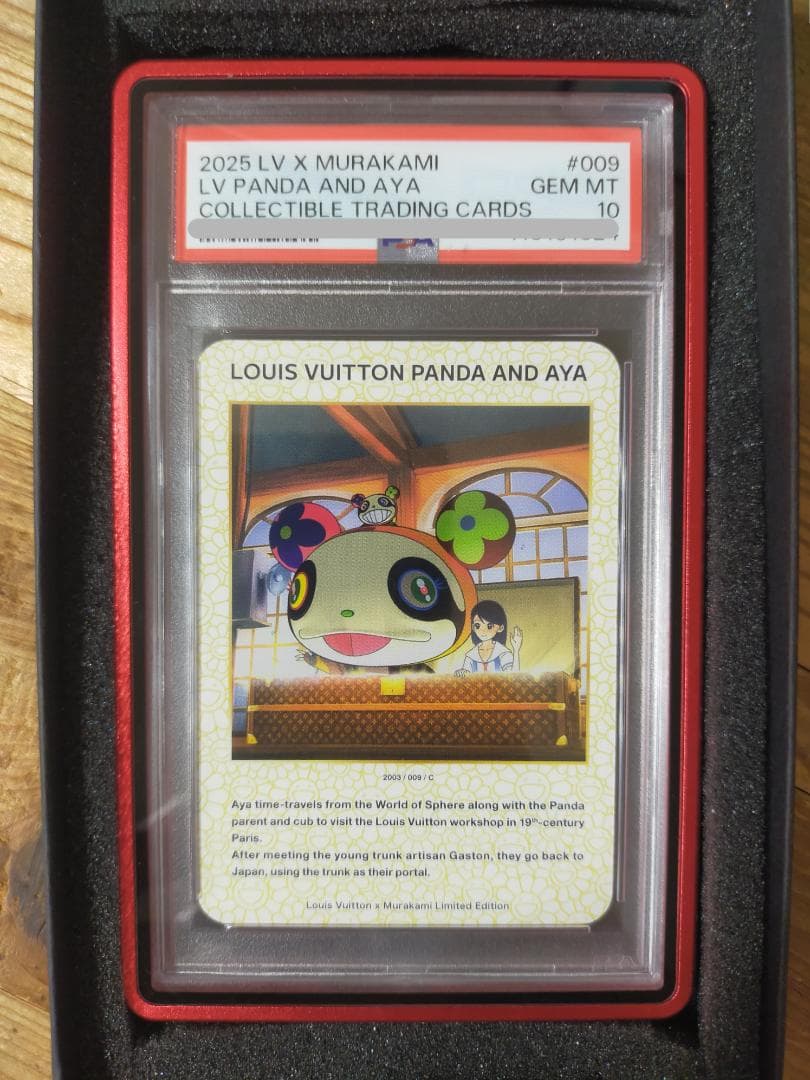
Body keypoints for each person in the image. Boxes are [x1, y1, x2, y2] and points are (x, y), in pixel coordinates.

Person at [455, 600, 522, 676]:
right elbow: (466, 674)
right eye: (478, 625)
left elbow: (514, 677)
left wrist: (516, 650)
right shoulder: (471, 655)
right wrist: (462, 672)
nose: (483, 630)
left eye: (489, 626)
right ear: (473, 627)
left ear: (501, 628)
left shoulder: (503, 653)